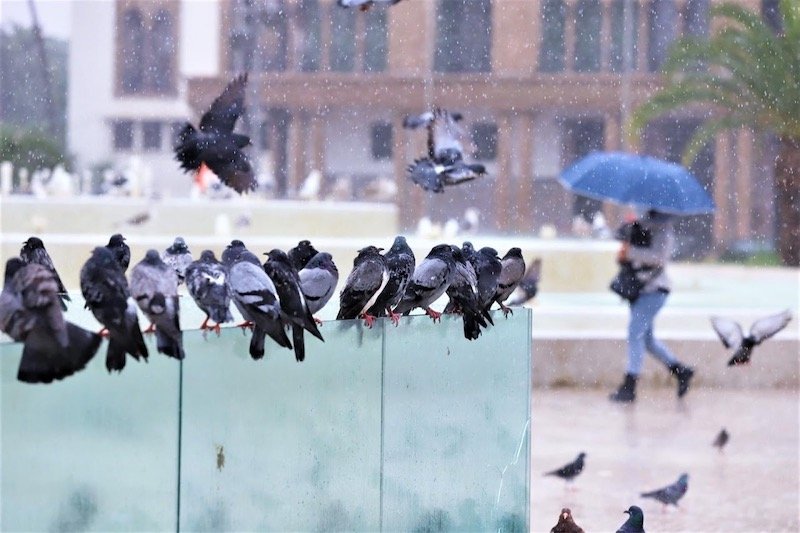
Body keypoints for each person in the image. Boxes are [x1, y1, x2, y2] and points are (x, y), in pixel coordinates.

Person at [609, 209, 694, 402]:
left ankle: (629, 386)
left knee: (635, 333)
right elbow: (619, 236)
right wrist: (627, 228)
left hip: (655, 290)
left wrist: (630, 252)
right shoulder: (641, 222)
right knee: (647, 340)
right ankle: (681, 371)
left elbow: (659, 257)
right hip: (640, 290)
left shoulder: (664, 229)